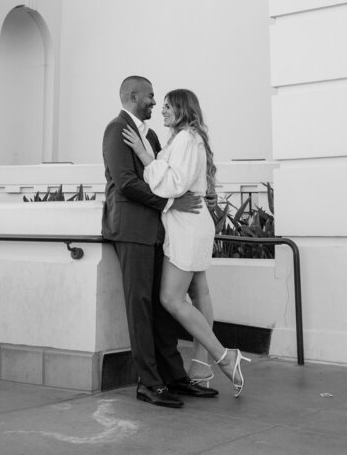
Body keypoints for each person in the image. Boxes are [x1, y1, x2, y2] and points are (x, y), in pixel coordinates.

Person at [122, 87, 250, 397]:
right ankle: (200, 367)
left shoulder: (186, 139)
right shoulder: (186, 139)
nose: (162, 110)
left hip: (187, 226)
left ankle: (223, 356)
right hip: (189, 223)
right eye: (161, 105)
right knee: (199, 291)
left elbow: (173, 184)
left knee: (171, 299)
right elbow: (181, 177)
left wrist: (144, 156)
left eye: (168, 106)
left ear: (183, 109)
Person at [102, 75, 213, 408]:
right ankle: (148, 383)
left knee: (163, 308)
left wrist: (170, 203)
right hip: (132, 228)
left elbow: (162, 175)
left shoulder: (150, 135)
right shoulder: (115, 129)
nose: (154, 102)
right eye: (150, 96)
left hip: (157, 231)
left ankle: (174, 377)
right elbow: (125, 183)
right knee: (140, 306)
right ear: (134, 96)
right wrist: (169, 203)